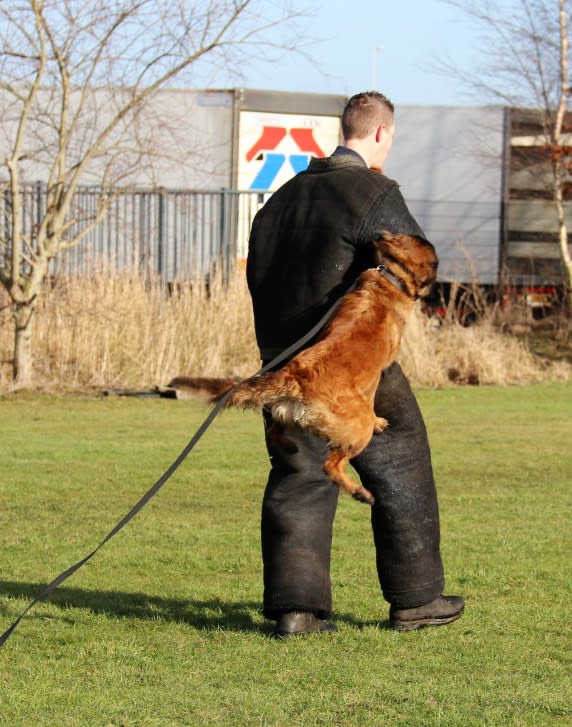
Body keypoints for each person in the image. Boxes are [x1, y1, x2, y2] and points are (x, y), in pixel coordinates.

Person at [246, 91, 464, 637]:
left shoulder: (280, 199)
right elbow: (417, 260)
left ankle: (296, 613)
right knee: (401, 462)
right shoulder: (372, 190)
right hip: (351, 369)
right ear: (382, 134)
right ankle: (416, 600)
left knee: (297, 478)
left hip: (283, 368)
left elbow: (258, 279)